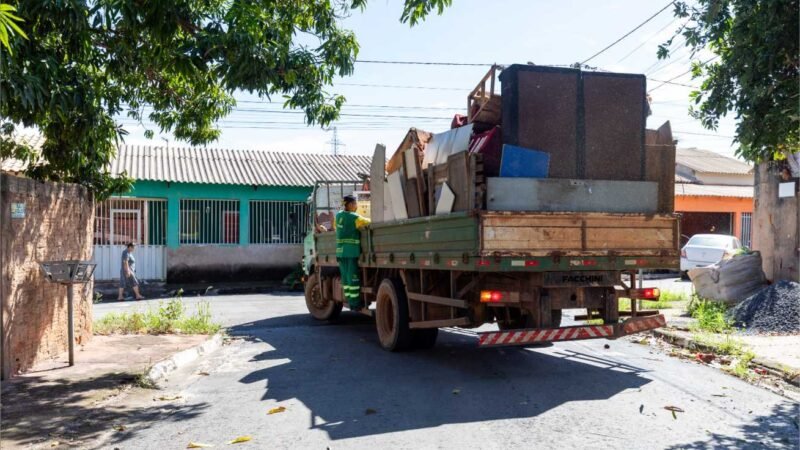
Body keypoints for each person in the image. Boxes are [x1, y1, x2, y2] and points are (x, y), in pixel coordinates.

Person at [334, 194, 370, 310]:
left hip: (340, 252)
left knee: (345, 278)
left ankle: (350, 301)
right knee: (353, 278)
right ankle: (355, 304)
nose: (356, 206)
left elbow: (335, 227)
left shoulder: (338, 215)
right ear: (349, 205)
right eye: (355, 203)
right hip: (351, 252)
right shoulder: (355, 218)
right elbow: (368, 222)